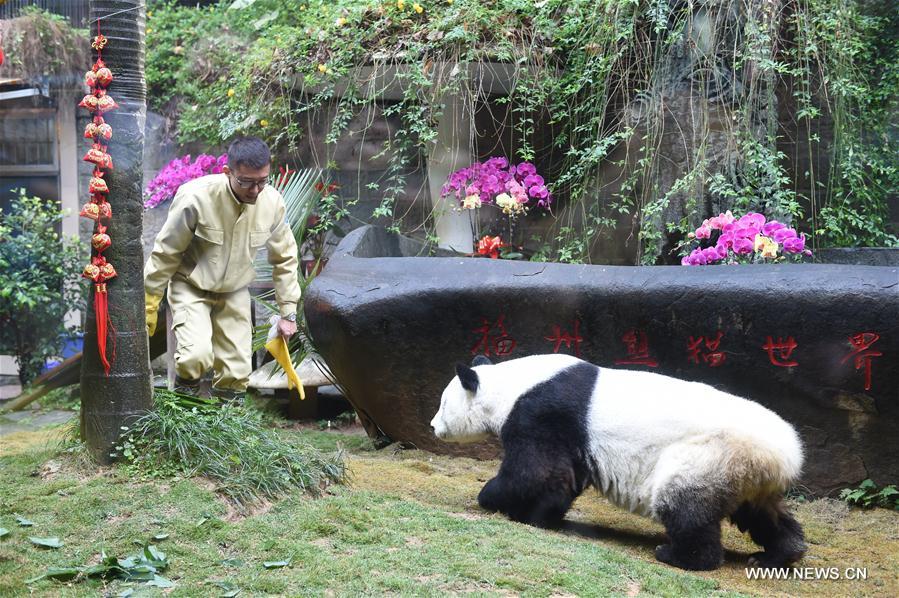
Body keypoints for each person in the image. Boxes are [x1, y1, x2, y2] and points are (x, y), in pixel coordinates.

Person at [144, 136, 300, 401]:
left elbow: (284, 258)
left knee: (237, 369)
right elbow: (166, 252)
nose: (255, 190)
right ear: (227, 172)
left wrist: (288, 313)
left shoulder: (272, 203)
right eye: (246, 182)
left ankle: (226, 430)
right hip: (191, 285)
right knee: (195, 356)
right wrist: (149, 301)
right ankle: (186, 421)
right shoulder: (195, 198)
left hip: (234, 289)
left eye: (262, 181)